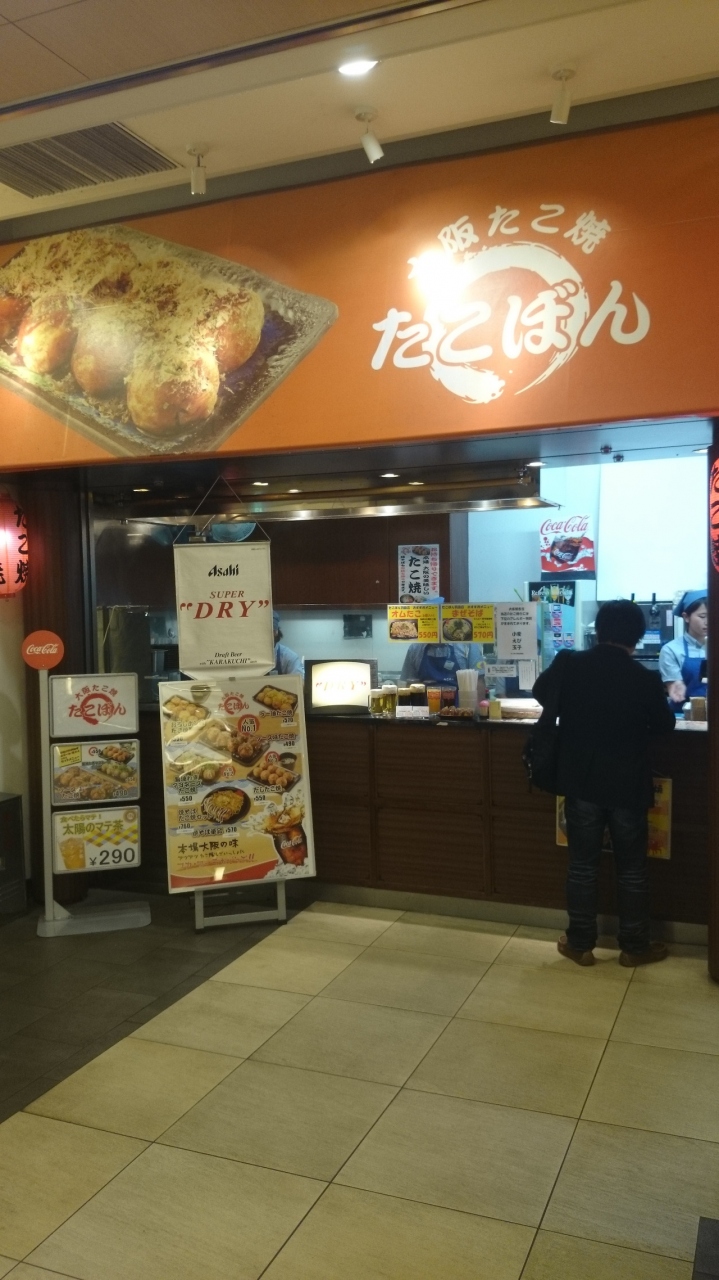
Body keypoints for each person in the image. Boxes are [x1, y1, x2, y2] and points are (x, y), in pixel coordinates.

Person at [533, 598, 675, 968]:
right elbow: (665, 725)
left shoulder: (569, 663)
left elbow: (540, 693)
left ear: (598, 631)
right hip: (628, 784)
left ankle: (580, 944)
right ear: (638, 636)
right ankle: (634, 947)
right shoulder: (644, 677)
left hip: (581, 780)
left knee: (582, 865)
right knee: (632, 869)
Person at [658, 591, 707, 712]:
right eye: (702, 616)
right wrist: (675, 686)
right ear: (686, 617)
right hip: (683, 714)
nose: (708, 621)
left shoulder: (715, 648)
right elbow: (675, 686)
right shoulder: (671, 650)